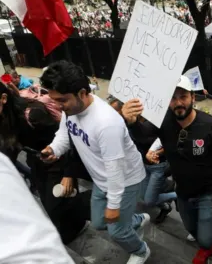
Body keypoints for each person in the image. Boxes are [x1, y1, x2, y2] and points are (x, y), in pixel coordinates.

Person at [39, 61, 150, 264]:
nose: (57, 105)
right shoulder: (69, 110)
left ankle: (141, 250)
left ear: (82, 93)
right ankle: (138, 219)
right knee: (99, 223)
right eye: (54, 99)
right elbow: (64, 134)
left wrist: (114, 205)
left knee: (117, 232)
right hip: (101, 179)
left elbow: (115, 171)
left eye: (62, 100)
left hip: (125, 181)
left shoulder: (106, 123)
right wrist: (53, 149)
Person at [142, 76, 212, 264]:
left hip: (209, 194)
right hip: (182, 193)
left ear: (193, 98)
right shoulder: (164, 123)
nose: (178, 103)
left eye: (183, 97)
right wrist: (132, 121)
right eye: (173, 98)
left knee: (205, 237)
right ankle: (207, 243)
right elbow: (142, 134)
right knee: (191, 229)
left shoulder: (211, 126)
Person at [0, 82, 91, 244]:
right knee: (48, 201)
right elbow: (9, 149)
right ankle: (74, 223)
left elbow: (68, 140)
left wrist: (69, 173)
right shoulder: (4, 117)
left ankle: (91, 208)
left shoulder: (33, 114)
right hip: (36, 160)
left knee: (54, 205)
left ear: (4, 98)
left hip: (59, 160)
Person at [0, 152, 75, 263]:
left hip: (55, 162)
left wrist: (69, 174)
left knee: (53, 206)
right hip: (36, 165)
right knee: (48, 204)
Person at [118, 98, 176, 224]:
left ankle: (178, 194)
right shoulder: (130, 124)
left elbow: (170, 142)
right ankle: (165, 206)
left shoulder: (158, 123)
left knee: (149, 201)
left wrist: (156, 152)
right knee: (144, 196)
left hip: (158, 166)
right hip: (143, 165)